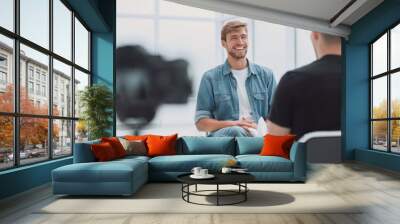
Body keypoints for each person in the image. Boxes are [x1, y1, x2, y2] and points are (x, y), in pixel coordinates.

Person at [195, 21, 276, 137]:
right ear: (224, 43)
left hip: (259, 134)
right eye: (234, 38)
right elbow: (201, 123)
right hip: (225, 138)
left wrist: (262, 129)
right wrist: (234, 124)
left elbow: (277, 116)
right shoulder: (210, 78)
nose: (240, 42)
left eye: (243, 37)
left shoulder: (266, 75)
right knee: (235, 131)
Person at [267, 32, 342, 139]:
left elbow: (275, 142)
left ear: (315, 35)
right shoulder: (363, 78)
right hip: (358, 156)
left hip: (307, 156)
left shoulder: (292, 79)